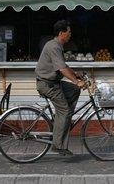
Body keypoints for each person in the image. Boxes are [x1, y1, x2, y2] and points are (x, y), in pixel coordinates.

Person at [35, 20, 85, 156]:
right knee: (64, 110)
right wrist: (76, 81)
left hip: (53, 83)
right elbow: (62, 69)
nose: (70, 34)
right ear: (61, 33)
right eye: (69, 32)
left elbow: (63, 65)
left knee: (74, 90)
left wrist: (76, 74)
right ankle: (58, 145)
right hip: (47, 84)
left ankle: (62, 120)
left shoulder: (57, 45)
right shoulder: (54, 46)